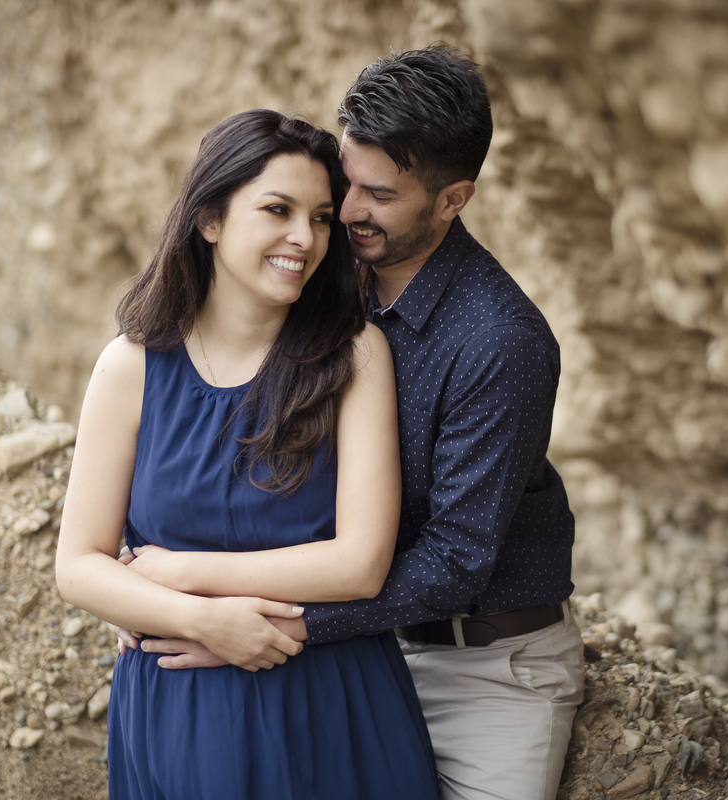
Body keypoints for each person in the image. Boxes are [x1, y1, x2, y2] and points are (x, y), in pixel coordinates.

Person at [124, 47, 585, 800]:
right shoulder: (310, 278)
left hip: (483, 667)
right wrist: (156, 598)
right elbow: (214, 436)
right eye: (347, 181)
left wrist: (267, 622)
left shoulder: (501, 341)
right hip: (355, 650)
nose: (346, 212)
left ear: (452, 199)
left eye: (379, 195)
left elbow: (457, 561)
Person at [55, 108, 439, 800]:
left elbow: (361, 564)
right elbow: (78, 565)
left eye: (321, 217)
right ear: (209, 219)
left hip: (331, 703)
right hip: (176, 708)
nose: (305, 237)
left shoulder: (355, 356)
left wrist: (175, 576)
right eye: (277, 209)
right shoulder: (130, 366)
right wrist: (203, 620)